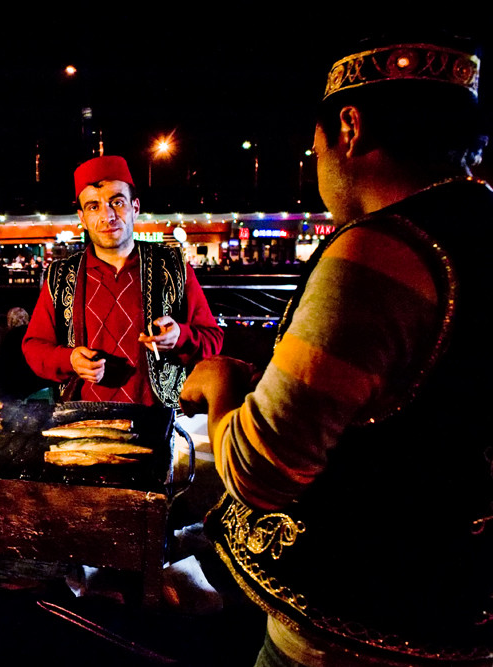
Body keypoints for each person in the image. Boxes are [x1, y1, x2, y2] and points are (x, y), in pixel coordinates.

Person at [179, 36, 492, 665]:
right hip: (467, 610)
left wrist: (220, 383)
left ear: (348, 127)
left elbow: (261, 473)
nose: (316, 161)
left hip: (360, 627)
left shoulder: (379, 251)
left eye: (314, 145)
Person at [22, 154, 223, 407]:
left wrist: (180, 336)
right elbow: (34, 347)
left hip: (159, 419)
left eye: (116, 202)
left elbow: (212, 339)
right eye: (93, 206)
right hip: (84, 421)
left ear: (135, 207)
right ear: (82, 218)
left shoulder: (173, 267)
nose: (107, 216)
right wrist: (70, 359)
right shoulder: (61, 276)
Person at [0, 307, 52, 400]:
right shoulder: (35, 334)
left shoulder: (9, 338)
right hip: (39, 385)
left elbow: (3, 366)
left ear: (10, 321)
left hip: (17, 387)